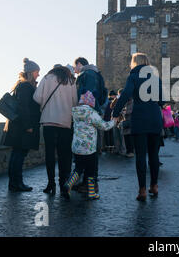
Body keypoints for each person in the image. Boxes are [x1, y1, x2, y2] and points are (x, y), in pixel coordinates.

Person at [112, 53, 163, 201]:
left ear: (134, 63)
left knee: (140, 155)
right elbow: (162, 99)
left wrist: (115, 113)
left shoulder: (133, 76)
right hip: (154, 118)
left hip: (140, 118)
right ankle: (154, 186)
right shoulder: (155, 77)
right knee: (154, 155)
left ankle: (142, 190)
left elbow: (125, 94)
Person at [33, 65, 78, 196]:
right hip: (65, 122)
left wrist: (45, 104)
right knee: (65, 154)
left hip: (49, 120)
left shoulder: (47, 78)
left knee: (50, 154)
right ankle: (64, 182)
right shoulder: (70, 81)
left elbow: (36, 97)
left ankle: (51, 183)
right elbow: (75, 102)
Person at [62, 91, 115, 200]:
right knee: (91, 171)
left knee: (78, 169)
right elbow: (104, 126)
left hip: (77, 147)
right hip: (89, 148)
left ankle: (68, 184)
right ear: (91, 103)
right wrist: (114, 121)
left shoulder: (75, 112)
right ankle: (91, 193)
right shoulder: (91, 113)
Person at [3, 58, 41, 192]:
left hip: (18, 126)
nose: (38, 74)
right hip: (22, 127)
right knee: (19, 155)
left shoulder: (22, 85)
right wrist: (28, 126)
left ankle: (14, 183)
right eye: (37, 72)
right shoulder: (25, 86)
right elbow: (24, 107)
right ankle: (16, 183)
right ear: (31, 72)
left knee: (16, 154)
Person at [73, 57, 108, 191]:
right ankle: (88, 182)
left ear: (80, 64)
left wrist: (83, 110)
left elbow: (87, 94)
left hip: (87, 113)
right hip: (94, 112)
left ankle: (90, 184)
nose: (75, 70)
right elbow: (102, 95)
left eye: (75, 66)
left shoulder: (87, 74)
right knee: (91, 150)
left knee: (89, 152)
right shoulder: (96, 74)